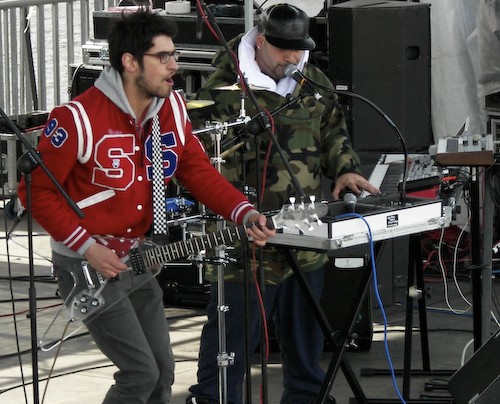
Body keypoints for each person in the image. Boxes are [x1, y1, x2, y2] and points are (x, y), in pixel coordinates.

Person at [17, 9, 275, 404]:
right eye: (164, 56)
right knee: (140, 374)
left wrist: (244, 212)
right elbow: (34, 192)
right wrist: (89, 247)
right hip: (85, 264)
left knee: (162, 373)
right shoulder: (78, 118)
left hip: (137, 259)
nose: (175, 65)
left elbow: (196, 170)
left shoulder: (169, 108)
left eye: (174, 55)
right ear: (130, 62)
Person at [186, 4, 379, 404]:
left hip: (303, 233)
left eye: (300, 50)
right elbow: (195, 158)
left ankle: (306, 398)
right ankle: (214, 398)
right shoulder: (220, 91)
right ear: (260, 43)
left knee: (306, 337)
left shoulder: (312, 79)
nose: (293, 59)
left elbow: (333, 130)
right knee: (232, 340)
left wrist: (345, 169)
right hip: (243, 241)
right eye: (284, 51)